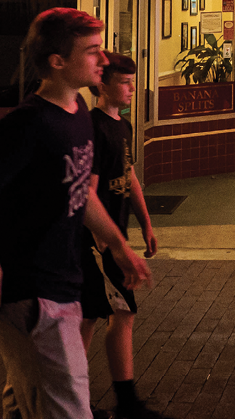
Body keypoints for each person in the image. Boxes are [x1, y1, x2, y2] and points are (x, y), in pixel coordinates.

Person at [0, 8, 151, 419]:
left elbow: (80, 194)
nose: (103, 60)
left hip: (62, 282)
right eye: (91, 51)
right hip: (31, 293)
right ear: (57, 61)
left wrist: (118, 245)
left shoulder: (78, 118)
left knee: (26, 402)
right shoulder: (30, 122)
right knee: (68, 408)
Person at [78, 53, 165, 419]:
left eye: (133, 81)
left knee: (91, 317)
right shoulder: (95, 128)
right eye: (125, 82)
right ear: (102, 85)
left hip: (112, 238)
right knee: (120, 313)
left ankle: (72, 399)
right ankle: (121, 403)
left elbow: (128, 176)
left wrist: (145, 223)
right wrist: (110, 245)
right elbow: (90, 192)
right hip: (99, 244)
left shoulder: (122, 127)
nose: (132, 88)